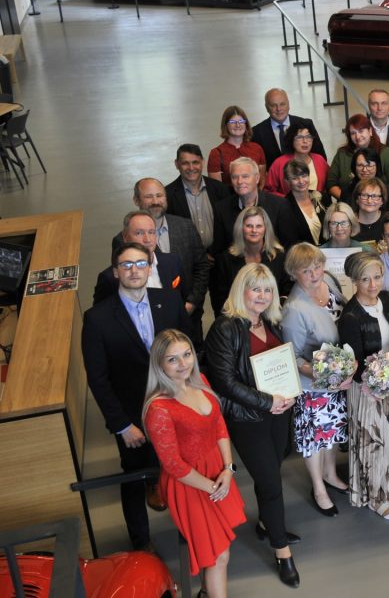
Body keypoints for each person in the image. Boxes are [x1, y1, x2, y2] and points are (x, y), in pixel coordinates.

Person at [82, 242, 192, 552]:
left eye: (141, 264)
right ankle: (141, 544)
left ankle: (189, 528)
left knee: (181, 468)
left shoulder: (169, 300)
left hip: (177, 406)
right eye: (126, 265)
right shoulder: (97, 319)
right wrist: (121, 425)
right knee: (134, 475)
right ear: (115, 272)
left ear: (150, 268)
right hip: (133, 419)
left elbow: (190, 348)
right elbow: (98, 379)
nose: (134, 270)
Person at [205, 263, 300, 588]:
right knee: (271, 481)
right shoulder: (225, 328)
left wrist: (287, 395)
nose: (262, 295)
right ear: (241, 290)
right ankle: (282, 552)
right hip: (248, 418)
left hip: (279, 411)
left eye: (267, 289)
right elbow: (225, 382)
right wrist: (267, 401)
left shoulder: (271, 322)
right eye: (255, 288)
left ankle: (265, 524)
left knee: (273, 466)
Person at [142, 329, 245, 596]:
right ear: (159, 364)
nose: (183, 363)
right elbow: (174, 465)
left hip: (216, 471)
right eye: (172, 359)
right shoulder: (159, 409)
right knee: (218, 555)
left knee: (218, 548)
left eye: (186, 354)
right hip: (189, 484)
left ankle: (206, 592)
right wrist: (213, 487)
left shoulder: (200, 382)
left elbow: (218, 424)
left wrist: (228, 469)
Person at [279, 243, 351, 518]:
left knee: (332, 430)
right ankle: (319, 488)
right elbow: (293, 357)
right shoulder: (294, 309)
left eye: (317, 267)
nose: (314, 274)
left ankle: (330, 474)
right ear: (293, 273)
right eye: (306, 271)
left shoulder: (328, 282)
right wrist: (322, 374)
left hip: (336, 378)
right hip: (313, 385)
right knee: (314, 438)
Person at [338, 252, 389, 520]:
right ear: (354, 281)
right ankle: (376, 498)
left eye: (377, 277)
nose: (372, 284)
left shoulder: (388, 300)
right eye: (365, 279)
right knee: (374, 444)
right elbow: (355, 365)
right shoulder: (350, 316)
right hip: (366, 390)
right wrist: (381, 381)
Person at [112, 178, 209, 339]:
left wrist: (192, 302)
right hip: (148, 326)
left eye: (159, 195)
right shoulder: (121, 241)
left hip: (189, 318)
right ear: (136, 200)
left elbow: (202, 266)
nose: (155, 201)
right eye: (148, 196)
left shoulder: (185, 226)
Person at [94, 211, 188, 308]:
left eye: (151, 232)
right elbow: (101, 313)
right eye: (139, 233)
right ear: (125, 237)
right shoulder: (109, 278)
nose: (147, 239)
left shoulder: (172, 261)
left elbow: (181, 297)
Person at [210, 207, 289, 315]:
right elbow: (219, 300)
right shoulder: (225, 260)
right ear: (241, 228)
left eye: (259, 226)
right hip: (237, 318)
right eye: (249, 226)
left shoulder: (280, 258)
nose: (254, 230)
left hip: (273, 317)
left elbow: (287, 293)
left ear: (266, 229)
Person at [210, 157, 291, 256]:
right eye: (234, 177)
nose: (239, 181)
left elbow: (288, 246)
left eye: (245, 176)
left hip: (272, 262)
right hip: (235, 264)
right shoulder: (221, 208)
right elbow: (220, 250)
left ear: (257, 178)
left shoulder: (279, 205)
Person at [165, 143, 232, 251]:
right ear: (177, 164)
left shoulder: (221, 190)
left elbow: (228, 227)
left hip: (219, 255)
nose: (191, 168)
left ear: (202, 162)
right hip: (188, 258)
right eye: (185, 163)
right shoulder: (168, 195)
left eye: (195, 162)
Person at [325, 114, 389, 200]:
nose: (357, 136)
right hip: (347, 204)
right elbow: (331, 183)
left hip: (379, 204)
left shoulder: (385, 152)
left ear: (370, 131)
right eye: (353, 133)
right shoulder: (342, 154)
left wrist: (375, 201)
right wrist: (348, 200)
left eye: (361, 131)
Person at [251, 87, 327, 165]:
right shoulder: (256, 133)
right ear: (266, 107)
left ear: (288, 104)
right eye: (273, 105)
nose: (279, 109)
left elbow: (321, 157)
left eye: (282, 104)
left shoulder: (306, 124)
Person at [264, 124, 330, 197]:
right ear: (291, 140)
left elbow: (330, 183)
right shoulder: (279, 163)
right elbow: (268, 191)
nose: (305, 141)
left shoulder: (319, 159)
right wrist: (287, 200)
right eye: (299, 137)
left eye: (308, 137)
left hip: (318, 203)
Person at [208, 106, 266, 185]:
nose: (238, 125)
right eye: (232, 122)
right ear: (225, 125)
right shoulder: (216, 153)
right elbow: (217, 188)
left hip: (255, 193)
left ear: (246, 124)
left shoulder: (257, 149)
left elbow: (261, 181)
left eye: (241, 121)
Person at [351, 177, 389, 243]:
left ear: (382, 201)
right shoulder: (348, 222)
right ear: (357, 199)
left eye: (375, 196)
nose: (369, 201)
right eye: (364, 195)